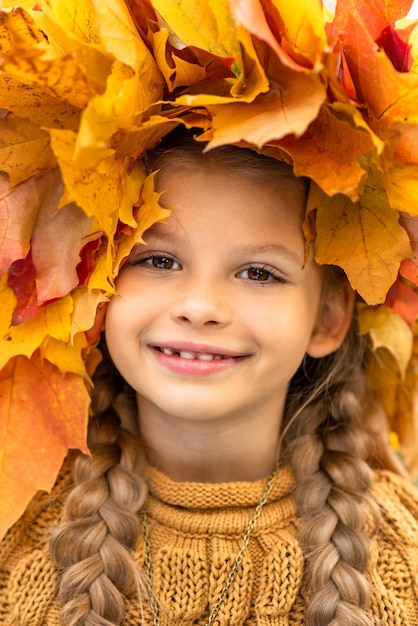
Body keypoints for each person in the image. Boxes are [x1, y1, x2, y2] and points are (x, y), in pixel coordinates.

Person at [0, 129, 417, 626]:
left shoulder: (399, 561)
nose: (200, 307)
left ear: (328, 315)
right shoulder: (15, 527)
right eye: (158, 260)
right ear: (95, 282)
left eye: (259, 273)